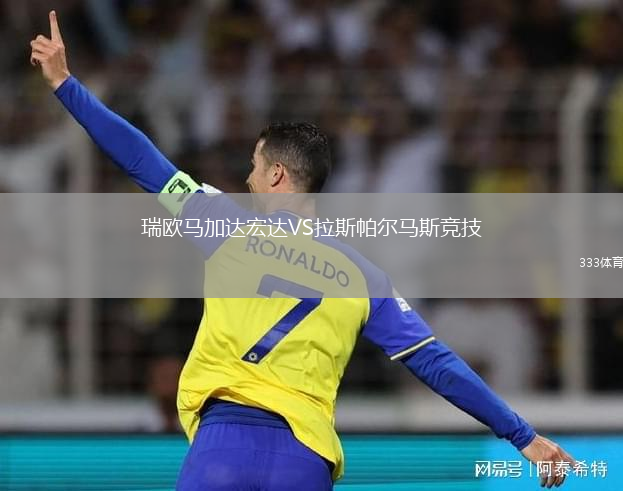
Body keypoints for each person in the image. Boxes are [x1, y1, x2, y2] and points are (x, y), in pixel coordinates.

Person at [30, 10, 575, 490]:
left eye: (254, 165)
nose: (247, 178)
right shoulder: (364, 277)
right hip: (303, 456)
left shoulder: (223, 224)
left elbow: (141, 160)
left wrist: (65, 84)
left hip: (223, 446)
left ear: (276, 174)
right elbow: (436, 362)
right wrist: (522, 436)